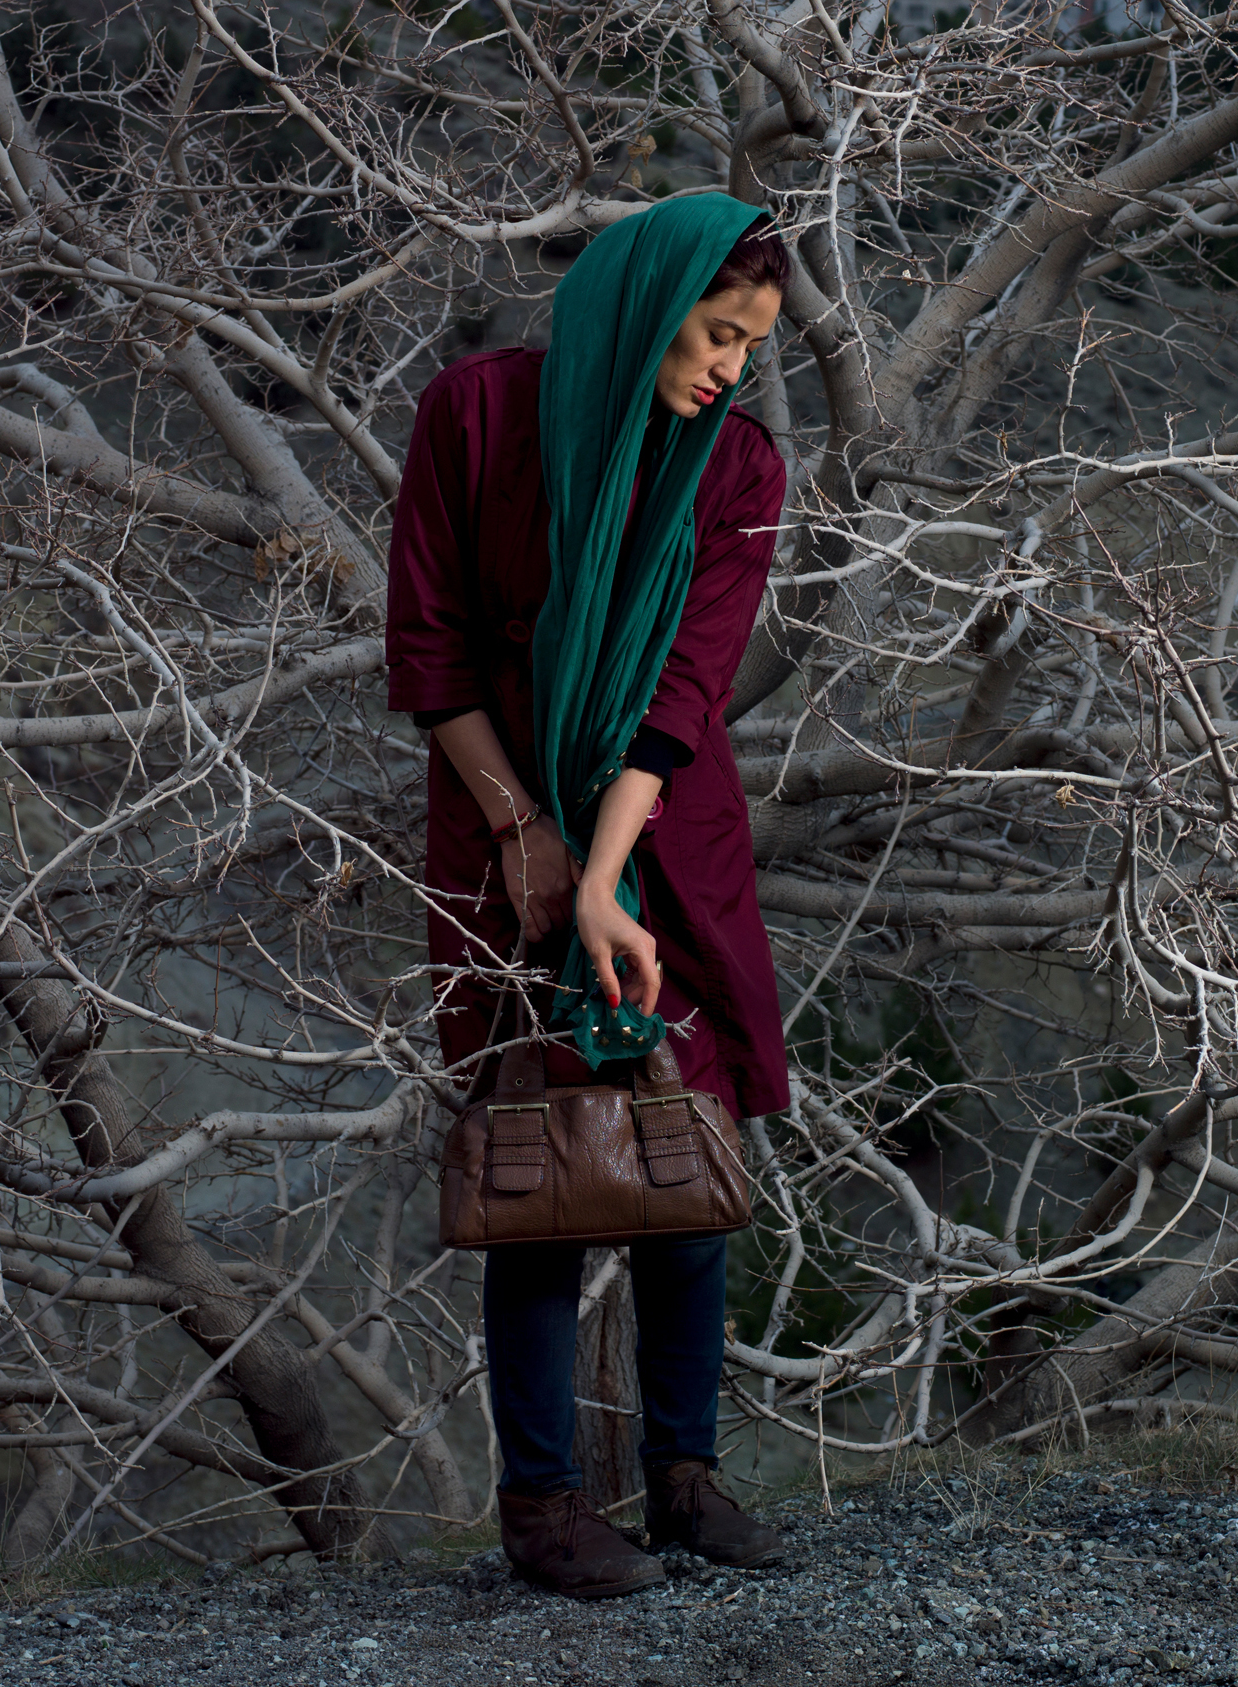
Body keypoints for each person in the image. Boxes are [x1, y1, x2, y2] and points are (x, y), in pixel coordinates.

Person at [385, 196, 794, 1599]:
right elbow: (427, 645)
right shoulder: (477, 417)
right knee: (539, 1155)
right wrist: (521, 830)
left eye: (753, 344)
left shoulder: (737, 468)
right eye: (716, 331)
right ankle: (544, 1512)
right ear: (645, 303)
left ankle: (687, 1480)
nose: (731, 365)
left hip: (662, 831)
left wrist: (605, 868)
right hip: (498, 829)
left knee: (687, 1140)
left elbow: (684, 692)